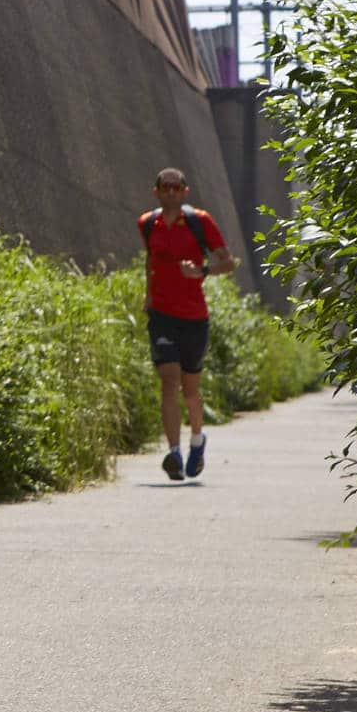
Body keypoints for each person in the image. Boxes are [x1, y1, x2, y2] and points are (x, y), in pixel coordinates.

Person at [140, 168, 238, 481]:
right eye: (165, 187)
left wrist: (201, 271)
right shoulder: (147, 223)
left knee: (191, 389)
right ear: (156, 191)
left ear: (185, 191)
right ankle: (174, 453)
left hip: (194, 317)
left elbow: (228, 262)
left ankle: (197, 440)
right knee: (169, 381)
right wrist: (148, 295)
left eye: (176, 187)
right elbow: (150, 260)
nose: (170, 191)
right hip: (162, 316)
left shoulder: (200, 221)